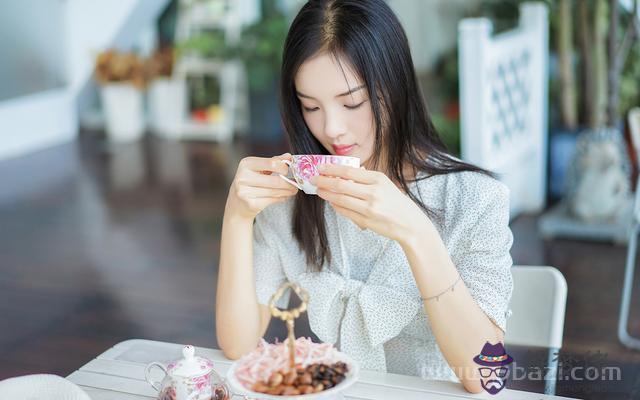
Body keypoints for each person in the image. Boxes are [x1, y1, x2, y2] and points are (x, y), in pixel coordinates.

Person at [215, 0, 513, 393]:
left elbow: (486, 377)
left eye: (352, 102)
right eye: (311, 107)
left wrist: (416, 233)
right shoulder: (294, 201)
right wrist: (236, 217)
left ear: (396, 84)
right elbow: (236, 344)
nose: (332, 128)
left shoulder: (476, 199)